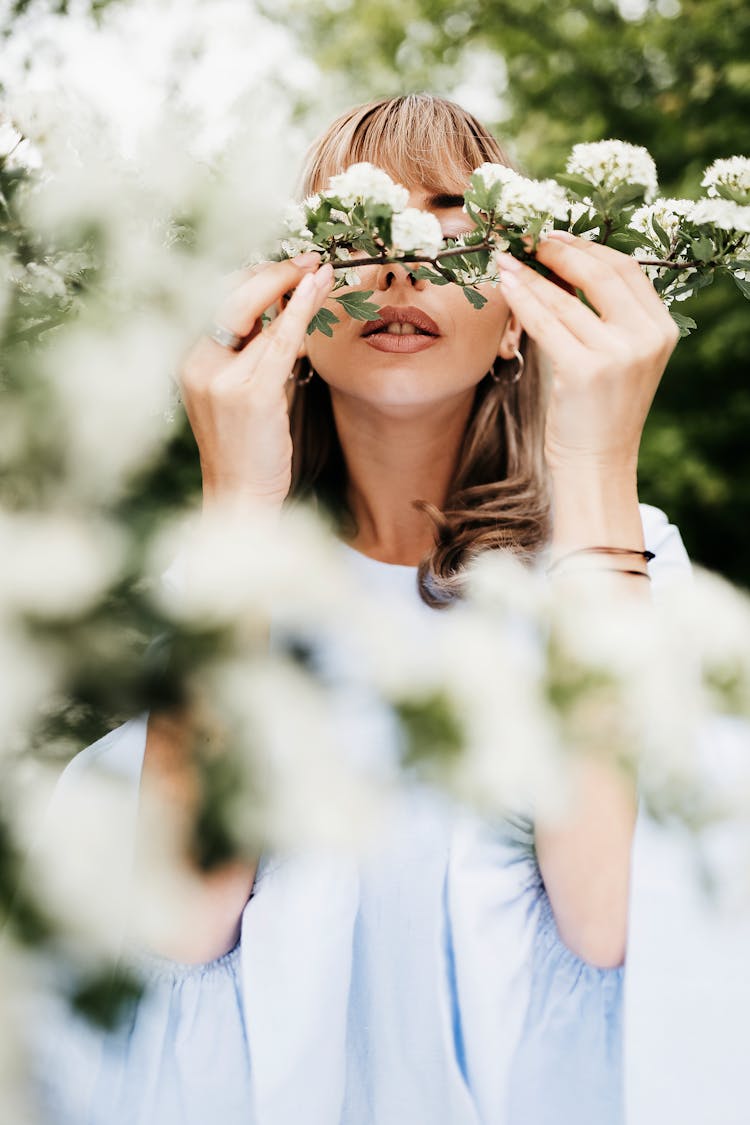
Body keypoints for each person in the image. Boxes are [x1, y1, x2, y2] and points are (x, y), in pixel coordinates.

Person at [29, 93, 692, 1125]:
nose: (401, 262)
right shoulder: (215, 584)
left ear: (520, 312)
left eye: (451, 222)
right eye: (359, 223)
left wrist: (598, 459)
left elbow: (614, 924)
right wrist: (234, 504)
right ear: (292, 299)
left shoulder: (625, 563)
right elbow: (178, 921)